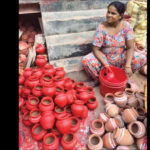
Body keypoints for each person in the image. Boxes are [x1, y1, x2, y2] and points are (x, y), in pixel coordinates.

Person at [82, 1, 147, 87]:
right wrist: (106, 64)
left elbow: (130, 48)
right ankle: (100, 79)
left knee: (142, 58)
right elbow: (95, 49)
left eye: (113, 13)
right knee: (86, 60)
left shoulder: (126, 26)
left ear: (121, 15)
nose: (109, 15)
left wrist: (127, 66)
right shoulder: (102, 27)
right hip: (104, 59)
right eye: (108, 12)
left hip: (121, 58)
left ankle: (123, 78)